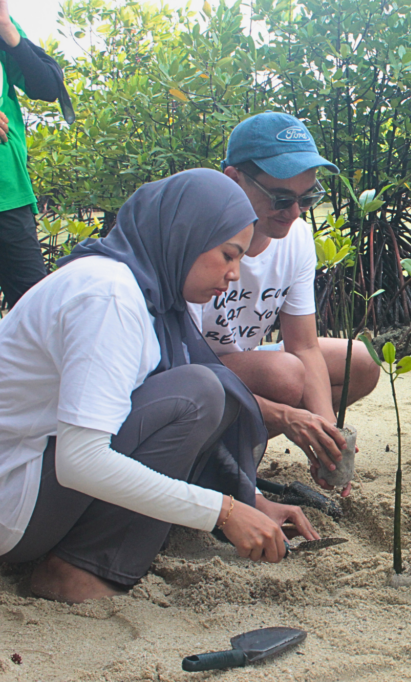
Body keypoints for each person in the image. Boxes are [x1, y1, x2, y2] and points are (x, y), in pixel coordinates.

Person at [0, 169, 318, 604]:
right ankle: (81, 567)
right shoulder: (109, 297)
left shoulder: (139, 291)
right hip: (12, 506)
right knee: (199, 394)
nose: (233, 274)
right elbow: (80, 461)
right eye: (228, 255)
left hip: (29, 486)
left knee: (209, 389)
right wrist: (223, 512)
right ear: (184, 235)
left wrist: (252, 500)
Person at [191, 112, 380, 494]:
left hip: (244, 364)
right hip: (191, 371)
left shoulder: (297, 238)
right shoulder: (199, 241)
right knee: (285, 375)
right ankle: (214, 455)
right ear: (234, 180)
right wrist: (287, 416)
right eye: (280, 199)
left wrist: (327, 437)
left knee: (361, 361)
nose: (294, 213)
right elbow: (178, 363)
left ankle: (238, 443)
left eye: (307, 199)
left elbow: (304, 345)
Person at [0, 1, 75, 308]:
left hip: (9, 193)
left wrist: (7, 28)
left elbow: (46, 87)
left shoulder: (3, 27)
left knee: (36, 312)